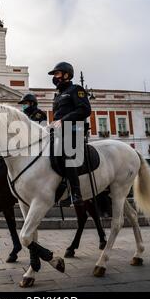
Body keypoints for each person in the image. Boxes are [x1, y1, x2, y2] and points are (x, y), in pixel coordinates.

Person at [48, 62, 92, 206]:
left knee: (67, 151)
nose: (55, 77)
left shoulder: (76, 90)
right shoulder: (58, 95)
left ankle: (75, 193)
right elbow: (57, 117)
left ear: (66, 75)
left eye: (57, 74)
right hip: (60, 131)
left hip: (75, 129)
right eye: (54, 75)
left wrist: (64, 120)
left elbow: (85, 110)